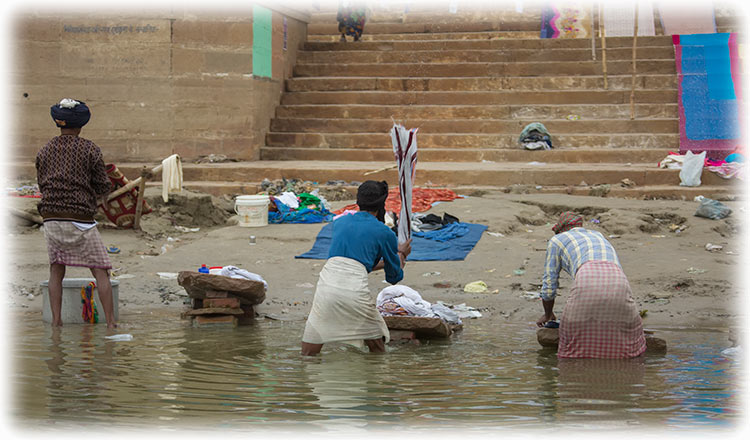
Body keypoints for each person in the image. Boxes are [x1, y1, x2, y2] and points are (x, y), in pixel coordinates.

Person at [301, 180, 411, 355]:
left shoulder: (339, 223)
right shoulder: (385, 233)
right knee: (376, 348)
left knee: (308, 354)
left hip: (326, 287)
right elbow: (394, 277)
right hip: (354, 292)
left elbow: (357, 263)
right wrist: (401, 255)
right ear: (381, 204)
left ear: (358, 201)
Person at [36, 98, 118, 329]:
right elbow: (102, 185)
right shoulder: (90, 149)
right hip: (80, 219)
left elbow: (42, 184)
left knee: (56, 269)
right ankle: (111, 323)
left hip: (50, 218)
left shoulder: (44, 150)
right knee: (101, 271)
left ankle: (56, 322)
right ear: (81, 124)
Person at [537, 212, 645, 359]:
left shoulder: (557, 240)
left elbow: (549, 284)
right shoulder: (598, 235)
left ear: (561, 229)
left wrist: (548, 314)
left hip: (586, 278)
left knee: (571, 345)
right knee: (628, 344)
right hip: (619, 280)